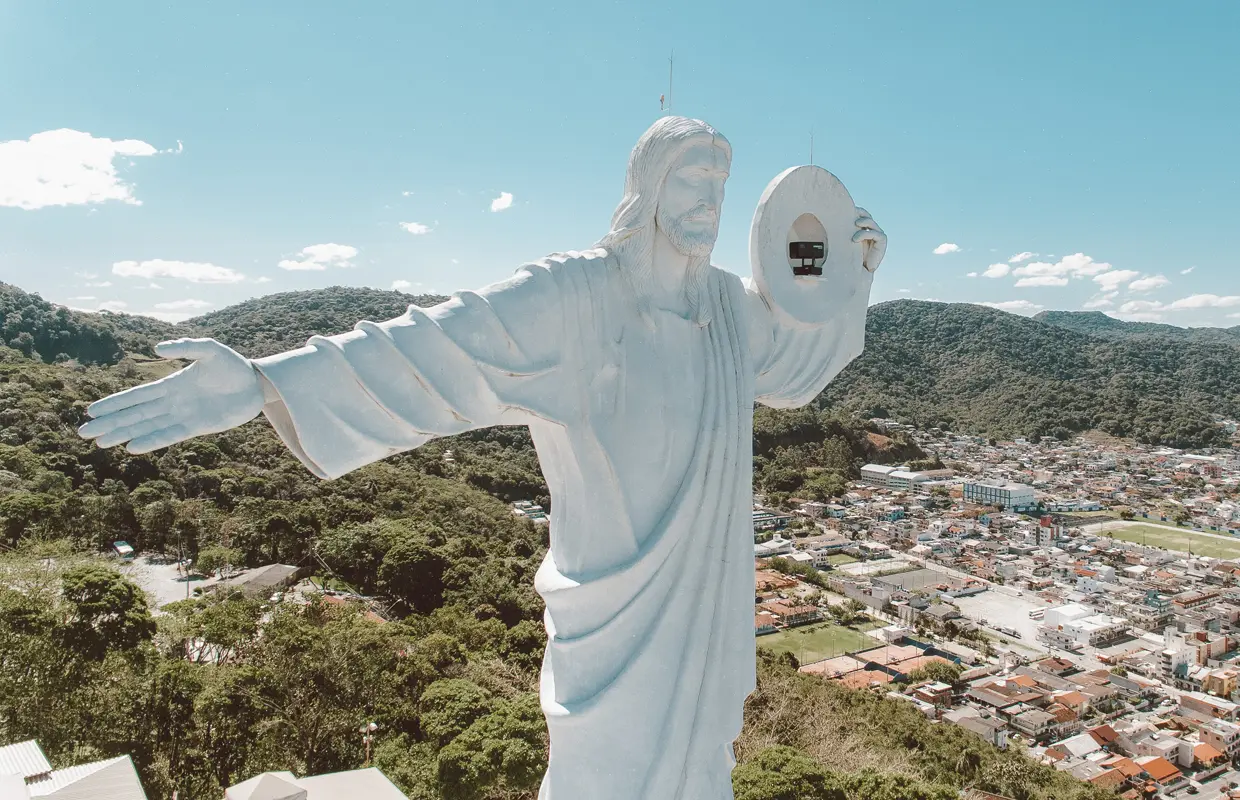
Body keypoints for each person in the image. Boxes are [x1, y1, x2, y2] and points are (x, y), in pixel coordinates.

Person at [80, 115, 885, 799]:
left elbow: (797, 366)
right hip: (613, 617)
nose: (708, 201)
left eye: (720, 183)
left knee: (700, 769)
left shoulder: (728, 311)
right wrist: (264, 383)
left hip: (700, 613)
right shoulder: (577, 297)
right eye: (689, 179)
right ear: (647, 185)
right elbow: (434, 349)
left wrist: (856, 276)